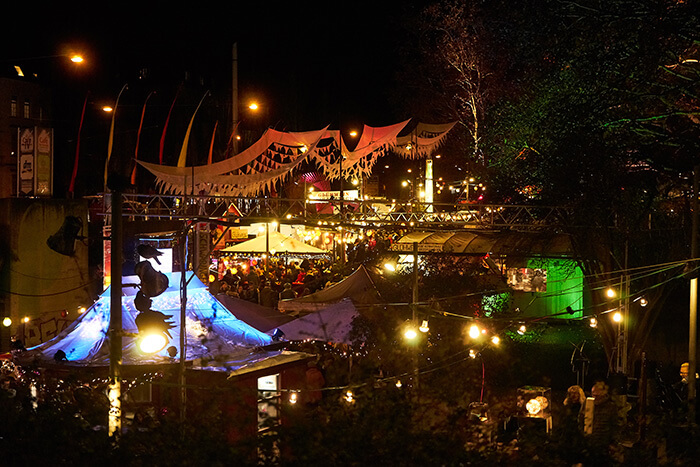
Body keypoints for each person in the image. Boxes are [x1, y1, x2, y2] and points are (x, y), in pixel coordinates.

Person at [579, 381, 620, 460]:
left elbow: (615, 425)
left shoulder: (611, 407)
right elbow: (580, 420)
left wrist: (613, 442)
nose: (595, 398)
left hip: (604, 442)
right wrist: (583, 435)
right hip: (588, 442)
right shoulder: (588, 404)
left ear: (603, 395)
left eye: (598, 396)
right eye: (593, 395)